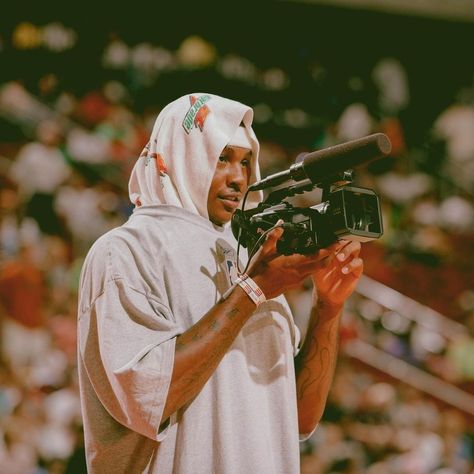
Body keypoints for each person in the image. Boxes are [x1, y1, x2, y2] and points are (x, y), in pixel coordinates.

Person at [77, 93, 363, 473]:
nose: (239, 177)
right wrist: (252, 290)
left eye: (246, 162)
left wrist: (328, 305)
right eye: (222, 158)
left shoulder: (251, 257)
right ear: (179, 155)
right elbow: (150, 396)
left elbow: (300, 418)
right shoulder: (125, 250)